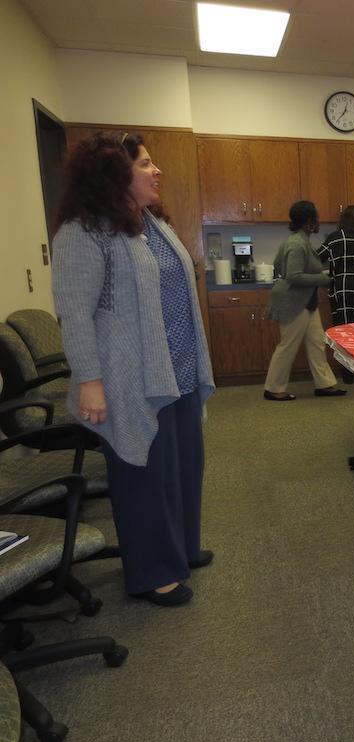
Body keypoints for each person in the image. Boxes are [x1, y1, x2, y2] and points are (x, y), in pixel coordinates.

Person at [52, 132, 215, 607]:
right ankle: (151, 573)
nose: (156, 171)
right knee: (143, 473)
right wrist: (91, 383)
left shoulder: (152, 224)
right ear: (113, 174)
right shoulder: (84, 231)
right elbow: (75, 314)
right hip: (130, 377)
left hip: (178, 368)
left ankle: (180, 547)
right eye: (145, 164)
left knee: (183, 466)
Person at [262, 200, 345, 401]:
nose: (318, 222)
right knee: (287, 346)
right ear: (308, 222)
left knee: (316, 343)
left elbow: (278, 265)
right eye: (315, 219)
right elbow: (293, 276)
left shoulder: (298, 240)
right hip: (294, 303)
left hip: (306, 302)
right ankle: (273, 388)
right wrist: (322, 279)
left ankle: (324, 384)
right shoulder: (297, 244)